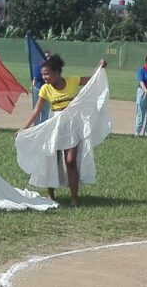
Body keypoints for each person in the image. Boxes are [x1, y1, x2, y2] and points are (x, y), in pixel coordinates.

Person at [20, 55, 106, 207]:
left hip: (72, 127)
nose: (44, 77)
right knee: (51, 160)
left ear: (57, 72)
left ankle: (74, 197)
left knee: (71, 161)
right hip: (54, 127)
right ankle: (51, 195)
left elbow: (92, 80)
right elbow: (37, 111)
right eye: (43, 74)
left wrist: (100, 67)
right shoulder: (45, 89)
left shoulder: (71, 81)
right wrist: (23, 129)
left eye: (47, 74)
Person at [31, 49, 52, 125]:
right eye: (46, 56)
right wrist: (33, 88)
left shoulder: (52, 67)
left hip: (47, 91)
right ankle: (36, 128)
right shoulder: (38, 66)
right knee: (36, 111)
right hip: (38, 89)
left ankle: (43, 128)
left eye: (49, 56)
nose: (48, 58)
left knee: (45, 112)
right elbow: (35, 79)